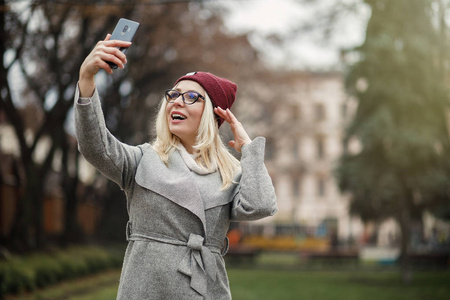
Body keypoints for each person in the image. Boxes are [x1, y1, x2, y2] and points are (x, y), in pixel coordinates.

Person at [74, 34, 277, 300]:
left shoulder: (230, 173)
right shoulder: (141, 160)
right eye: (174, 95)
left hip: (204, 291)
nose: (177, 101)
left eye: (192, 96)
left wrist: (248, 150)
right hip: (145, 288)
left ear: (213, 115)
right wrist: (86, 80)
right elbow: (95, 147)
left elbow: (261, 205)